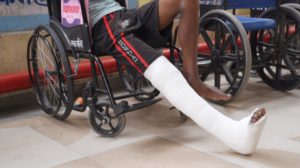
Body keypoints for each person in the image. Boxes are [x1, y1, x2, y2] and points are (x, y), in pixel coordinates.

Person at [89, 0, 267, 155]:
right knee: (163, 70)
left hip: (124, 14)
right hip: (103, 23)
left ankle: (192, 79)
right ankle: (234, 134)